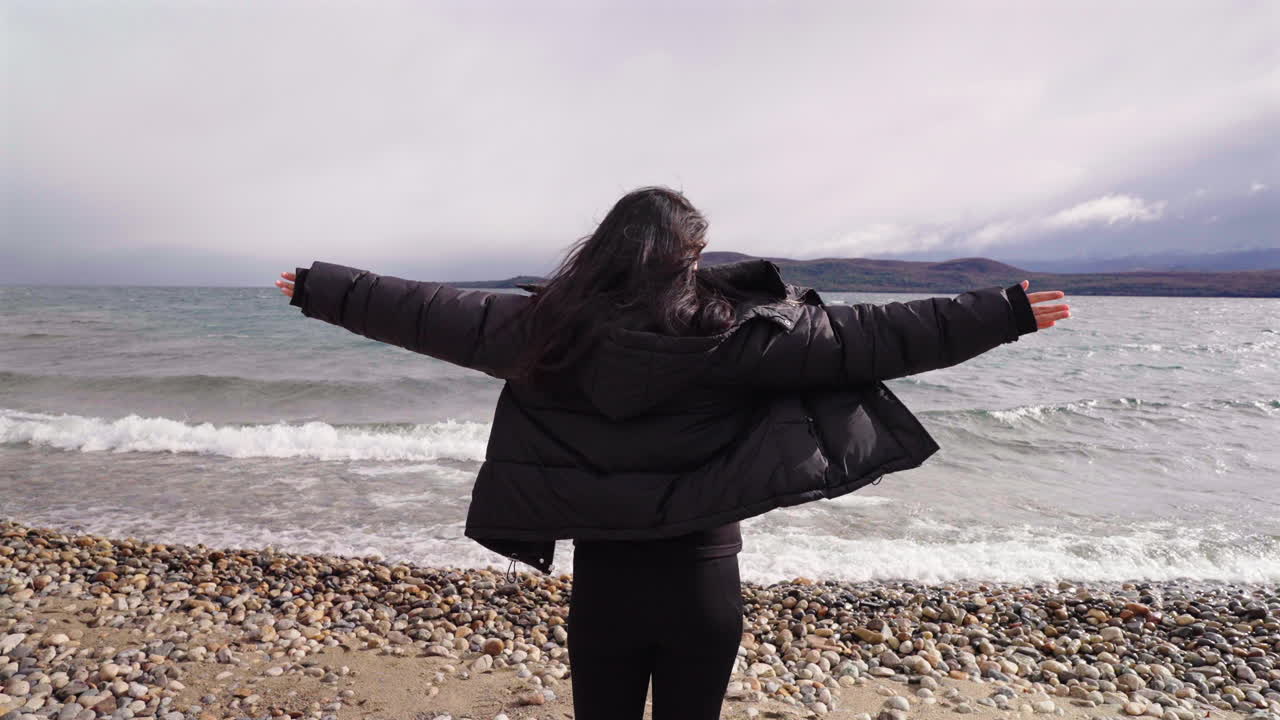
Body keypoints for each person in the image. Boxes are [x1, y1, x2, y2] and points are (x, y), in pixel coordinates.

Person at [274, 185, 1070, 719]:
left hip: (605, 584)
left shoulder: (543, 329)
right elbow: (875, 336)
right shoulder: (740, 336)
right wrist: (1000, 313)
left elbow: (429, 311)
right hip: (703, 581)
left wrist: (324, 288)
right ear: (686, 256)